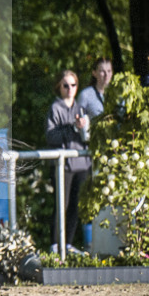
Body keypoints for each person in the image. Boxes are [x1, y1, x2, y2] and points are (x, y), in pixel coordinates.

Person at [45, 69, 90, 253]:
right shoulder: (55, 108)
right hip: (63, 165)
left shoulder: (81, 108)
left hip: (82, 163)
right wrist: (71, 127)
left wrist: (84, 129)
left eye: (73, 85)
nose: (70, 89)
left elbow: (87, 138)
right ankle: (56, 244)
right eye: (66, 85)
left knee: (76, 205)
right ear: (59, 87)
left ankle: (69, 244)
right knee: (61, 204)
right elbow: (50, 136)